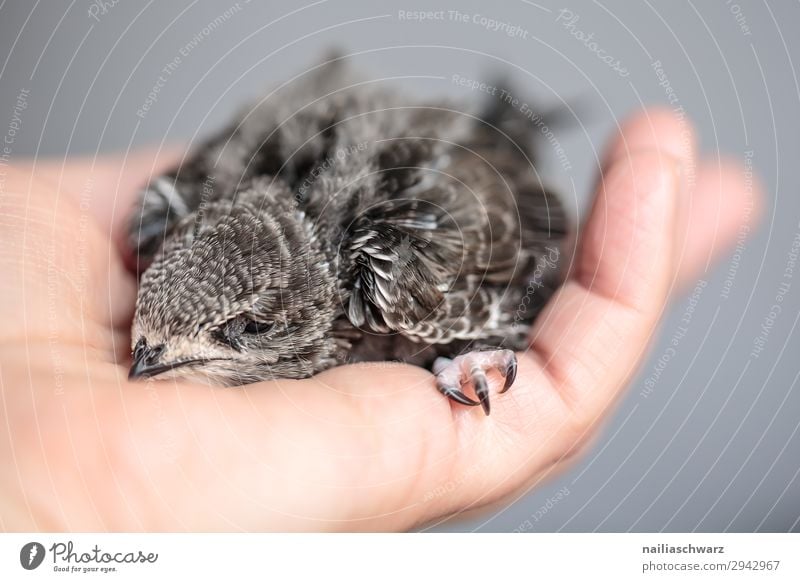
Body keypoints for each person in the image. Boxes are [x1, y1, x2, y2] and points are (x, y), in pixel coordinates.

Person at [0, 109, 761, 531]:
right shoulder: (170, 218)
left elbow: (527, 261)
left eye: (237, 333)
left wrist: (476, 350)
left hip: (444, 179)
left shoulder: (393, 271)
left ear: (292, 317)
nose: (148, 359)